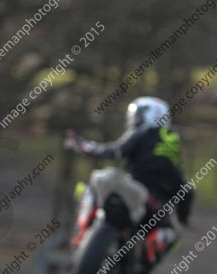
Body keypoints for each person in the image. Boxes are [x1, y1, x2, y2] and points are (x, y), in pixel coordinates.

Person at [65, 96, 193, 263]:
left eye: (138, 115)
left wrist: (84, 146)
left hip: (135, 192)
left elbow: (116, 150)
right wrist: (183, 219)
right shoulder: (172, 146)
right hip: (158, 208)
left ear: (150, 115)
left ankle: (81, 234)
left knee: (93, 185)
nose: (134, 119)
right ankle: (140, 267)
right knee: (170, 236)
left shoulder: (144, 132)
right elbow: (186, 190)